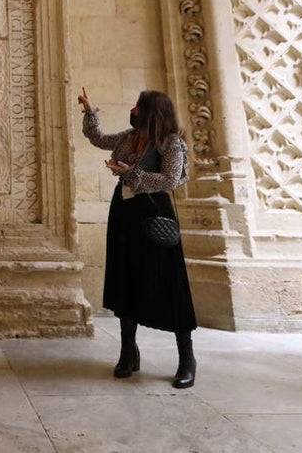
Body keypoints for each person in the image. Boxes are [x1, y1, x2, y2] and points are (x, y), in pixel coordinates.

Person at [78, 88, 196, 387]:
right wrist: (90, 111)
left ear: (151, 112)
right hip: (125, 213)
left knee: (170, 284)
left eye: (138, 106)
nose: (132, 109)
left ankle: (186, 360)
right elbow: (99, 139)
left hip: (155, 214)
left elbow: (170, 180)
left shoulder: (171, 142)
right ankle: (128, 352)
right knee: (125, 278)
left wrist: (132, 173)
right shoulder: (130, 137)